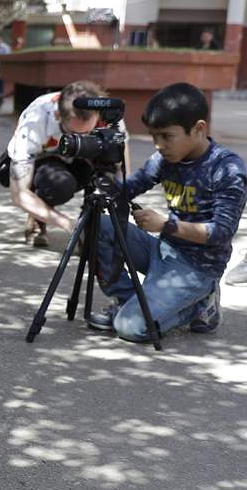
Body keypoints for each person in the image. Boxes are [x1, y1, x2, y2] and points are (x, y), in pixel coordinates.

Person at [87, 83, 247, 342]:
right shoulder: (164, 158)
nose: (159, 145)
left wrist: (165, 225)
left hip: (197, 269)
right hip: (162, 251)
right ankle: (130, 300)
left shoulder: (226, 169)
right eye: (153, 137)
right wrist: (102, 179)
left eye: (166, 137)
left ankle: (199, 306)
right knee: (95, 225)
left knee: (129, 327)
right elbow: (132, 186)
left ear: (198, 129)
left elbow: (221, 232)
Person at [5, 80, 125, 247]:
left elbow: (121, 169)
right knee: (59, 184)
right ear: (58, 115)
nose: (82, 139)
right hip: (47, 166)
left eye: (88, 132)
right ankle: (40, 216)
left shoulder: (109, 115)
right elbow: (19, 194)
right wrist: (68, 224)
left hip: (85, 165)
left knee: (108, 176)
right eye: (74, 134)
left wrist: (120, 201)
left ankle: (91, 227)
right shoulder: (36, 118)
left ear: (98, 114)